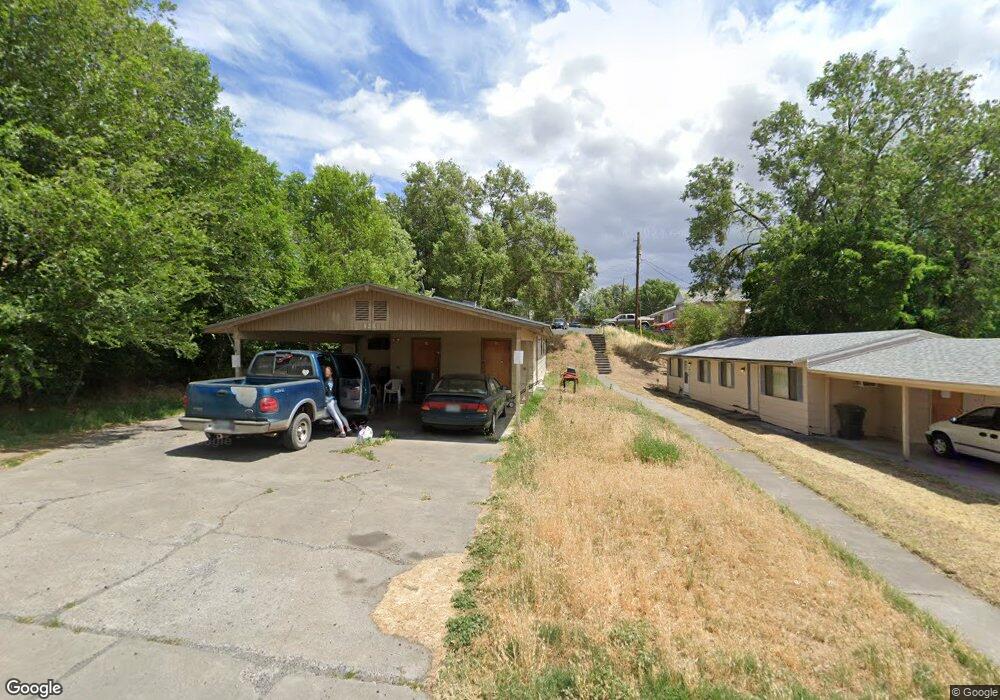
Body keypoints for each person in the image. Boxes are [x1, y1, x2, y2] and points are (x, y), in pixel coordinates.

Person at [323, 365, 351, 437]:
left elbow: (327, 391)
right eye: (325, 371)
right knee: (340, 415)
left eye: (328, 372)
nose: (326, 373)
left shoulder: (327, 382)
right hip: (333, 399)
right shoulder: (332, 380)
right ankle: (348, 429)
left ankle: (342, 432)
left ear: (331, 373)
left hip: (329, 401)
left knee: (335, 416)